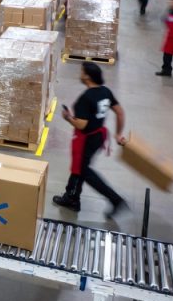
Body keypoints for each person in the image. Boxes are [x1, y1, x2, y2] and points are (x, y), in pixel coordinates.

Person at [52, 62, 128, 219]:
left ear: (87, 76)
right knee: (80, 168)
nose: (79, 74)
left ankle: (115, 199)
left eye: (81, 71)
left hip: (86, 139)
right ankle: (71, 198)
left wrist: (68, 118)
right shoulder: (106, 91)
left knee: (84, 171)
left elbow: (81, 124)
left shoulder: (85, 98)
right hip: (99, 137)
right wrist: (118, 134)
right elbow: (120, 112)